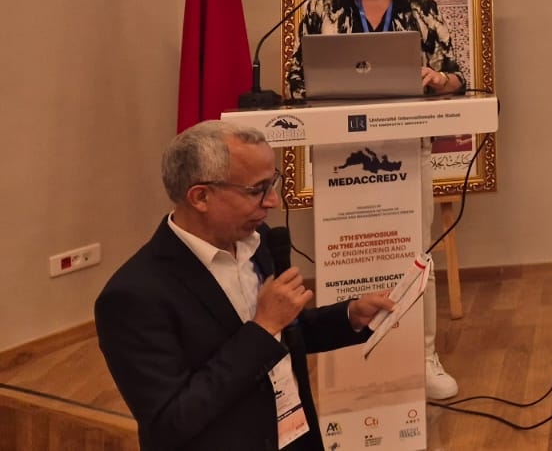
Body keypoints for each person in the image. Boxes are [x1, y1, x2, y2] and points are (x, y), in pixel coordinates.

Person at [95, 121, 394, 451]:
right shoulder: (133, 296)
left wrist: (350, 316)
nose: (273, 201)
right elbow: (171, 422)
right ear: (201, 196)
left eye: (272, 183)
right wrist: (262, 328)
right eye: (256, 190)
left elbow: (287, 333)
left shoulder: (257, 241)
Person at [285, 0, 462, 400]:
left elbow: (456, 76)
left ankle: (423, 356)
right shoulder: (321, 10)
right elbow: (297, 80)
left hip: (408, 150)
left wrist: (438, 79)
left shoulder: (422, 10)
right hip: (340, 153)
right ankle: (346, 359)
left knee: (414, 252)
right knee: (350, 251)